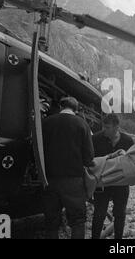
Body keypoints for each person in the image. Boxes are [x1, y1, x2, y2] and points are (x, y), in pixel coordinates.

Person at [42, 97, 95, 239]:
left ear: (60, 106)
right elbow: (89, 156)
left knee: (51, 222)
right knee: (77, 221)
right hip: (73, 181)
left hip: (49, 179)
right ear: (76, 110)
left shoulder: (46, 123)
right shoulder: (82, 124)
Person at [91, 113, 134, 239]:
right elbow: (91, 160)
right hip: (102, 183)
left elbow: (132, 161)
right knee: (99, 214)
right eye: (103, 126)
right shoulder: (96, 139)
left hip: (121, 183)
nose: (104, 130)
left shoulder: (127, 140)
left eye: (107, 127)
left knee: (120, 214)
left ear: (116, 127)